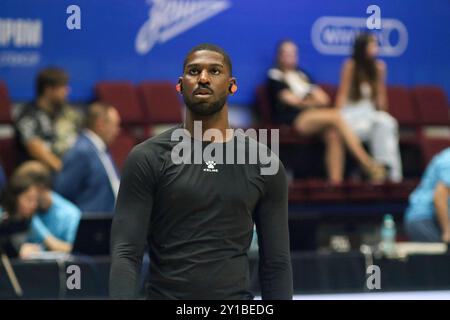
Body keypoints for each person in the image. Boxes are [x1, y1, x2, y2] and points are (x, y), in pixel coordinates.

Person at [110, 44, 293, 300]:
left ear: (232, 85)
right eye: (194, 71)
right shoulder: (147, 158)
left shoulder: (264, 163)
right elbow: (126, 253)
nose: (203, 78)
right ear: (180, 85)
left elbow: (276, 262)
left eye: (214, 71)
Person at [267, 40, 385, 183]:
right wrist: (310, 100)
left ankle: (336, 184)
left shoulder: (303, 75)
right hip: (295, 119)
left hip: (315, 117)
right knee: (336, 115)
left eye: (293, 53)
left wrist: (306, 100)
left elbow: (324, 99)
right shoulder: (274, 75)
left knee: (333, 134)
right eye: (286, 53)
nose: (291, 56)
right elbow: (291, 100)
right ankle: (367, 163)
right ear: (279, 56)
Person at [335, 33, 402, 182]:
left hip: (369, 114)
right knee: (381, 124)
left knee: (386, 123)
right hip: (351, 115)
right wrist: (337, 117)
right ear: (362, 47)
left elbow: (381, 97)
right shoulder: (350, 66)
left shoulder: (379, 68)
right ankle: (375, 170)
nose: (376, 48)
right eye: (372, 44)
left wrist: (383, 112)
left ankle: (390, 173)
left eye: (376, 45)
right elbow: (342, 94)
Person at [54, 103, 121, 214]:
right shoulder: (81, 152)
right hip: (90, 224)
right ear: (101, 124)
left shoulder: (101, 149)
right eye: (115, 125)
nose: (118, 130)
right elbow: (63, 193)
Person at [14, 67, 83, 172]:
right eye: (63, 87)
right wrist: (63, 169)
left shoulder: (67, 112)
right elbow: (33, 146)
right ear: (49, 90)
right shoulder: (28, 114)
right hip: (44, 170)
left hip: (72, 166)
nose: (67, 90)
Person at [14, 161, 81, 253]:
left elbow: (75, 250)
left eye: (30, 194)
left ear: (43, 188)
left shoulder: (70, 214)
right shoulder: (24, 211)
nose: (28, 201)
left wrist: (40, 230)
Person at [404, 147, 450, 243]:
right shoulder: (448, 160)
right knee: (442, 257)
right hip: (424, 220)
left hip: (435, 220)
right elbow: (440, 197)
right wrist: (448, 231)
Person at [0, 170, 40, 259]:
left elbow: (45, 242)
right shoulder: (3, 220)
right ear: (14, 199)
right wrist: (17, 251)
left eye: (35, 200)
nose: (33, 205)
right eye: (29, 199)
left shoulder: (30, 219)